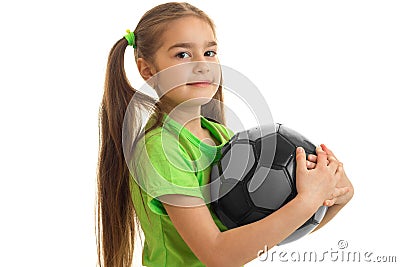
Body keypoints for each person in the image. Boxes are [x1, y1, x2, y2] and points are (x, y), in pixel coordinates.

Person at [96, 2, 354, 267]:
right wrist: (306, 201)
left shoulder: (221, 135)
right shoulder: (162, 150)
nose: (202, 65)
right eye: (183, 55)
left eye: (209, 52)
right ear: (148, 70)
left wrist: (333, 196)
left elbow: (262, 235)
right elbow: (218, 254)